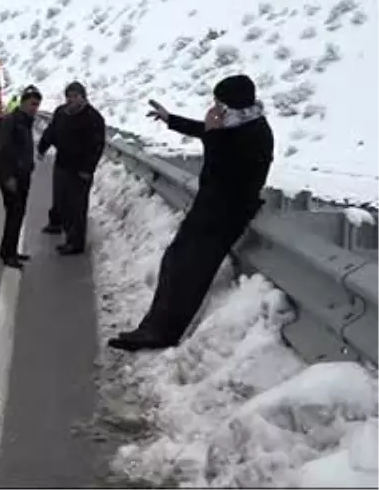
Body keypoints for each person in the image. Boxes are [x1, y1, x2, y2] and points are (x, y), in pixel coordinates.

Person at [109, 74, 274, 352]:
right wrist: (170, 119)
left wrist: (214, 135)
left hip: (225, 215)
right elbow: (206, 131)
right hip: (209, 208)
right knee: (174, 262)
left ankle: (163, 333)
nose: (215, 107)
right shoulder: (238, 124)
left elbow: (224, 170)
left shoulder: (254, 133)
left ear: (231, 103)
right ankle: (151, 327)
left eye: (220, 102)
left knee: (190, 274)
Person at [37, 81, 106, 255]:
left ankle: (76, 243)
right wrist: (42, 147)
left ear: (83, 97)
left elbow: (97, 146)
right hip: (62, 164)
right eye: (69, 96)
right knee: (61, 201)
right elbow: (51, 131)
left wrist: (88, 169)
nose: (71, 100)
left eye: (75, 96)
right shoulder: (61, 113)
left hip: (80, 170)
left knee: (76, 206)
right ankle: (61, 228)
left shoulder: (93, 118)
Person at [0, 85, 42, 268]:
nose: (34, 108)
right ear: (22, 103)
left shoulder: (25, 121)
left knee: (17, 214)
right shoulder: (12, 121)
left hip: (22, 176)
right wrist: (8, 177)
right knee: (14, 214)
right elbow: (1, 150)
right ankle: (9, 255)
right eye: (32, 104)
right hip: (12, 178)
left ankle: (8, 250)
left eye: (37, 105)